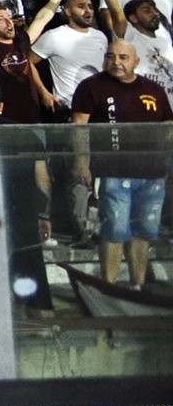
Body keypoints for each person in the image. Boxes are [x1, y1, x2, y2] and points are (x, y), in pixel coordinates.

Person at [71, 38, 171, 287]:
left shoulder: (154, 89)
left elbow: (168, 126)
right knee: (114, 230)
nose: (116, 62)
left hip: (152, 174)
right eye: (110, 56)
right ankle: (108, 286)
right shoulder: (91, 87)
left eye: (123, 57)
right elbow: (79, 128)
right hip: (112, 172)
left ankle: (137, 286)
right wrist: (81, 163)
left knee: (144, 231)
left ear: (136, 61)